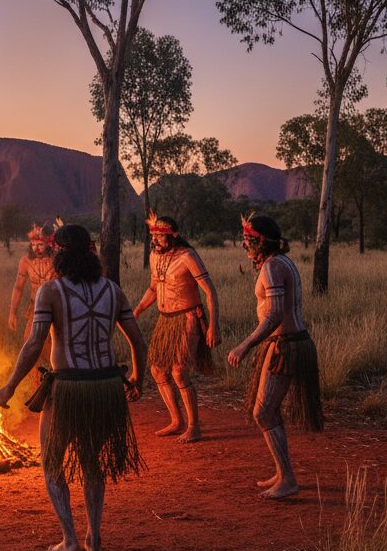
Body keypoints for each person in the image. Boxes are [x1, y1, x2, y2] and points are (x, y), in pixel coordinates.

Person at [0, 224, 147, 551]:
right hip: (106, 386)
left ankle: (70, 539)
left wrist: (9, 385)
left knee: (52, 462)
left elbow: (35, 343)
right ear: (91, 253)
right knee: (92, 463)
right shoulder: (112, 290)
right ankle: (94, 538)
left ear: (58, 255)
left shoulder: (50, 291)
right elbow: (138, 341)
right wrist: (138, 378)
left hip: (68, 387)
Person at [227, 213, 323, 500]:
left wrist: (245, 345)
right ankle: (282, 473)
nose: (244, 246)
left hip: (285, 345)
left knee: (263, 412)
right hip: (286, 343)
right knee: (268, 410)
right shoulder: (281, 262)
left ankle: (288, 479)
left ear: (260, 241)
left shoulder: (271, 267)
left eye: (248, 241)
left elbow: (275, 315)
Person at [133, 212, 220, 443]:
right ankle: (176, 421)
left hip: (188, 317)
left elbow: (209, 291)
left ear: (173, 236)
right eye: (154, 236)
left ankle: (194, 426)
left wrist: (213, 326)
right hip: (165, 320)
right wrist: (137, 310)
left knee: (179, 371)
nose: (156, 240)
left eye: (160, 237)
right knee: (158, 371)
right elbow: (153, 288)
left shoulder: (187, 256)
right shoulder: (154, 256)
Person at [8, 224, 57, 340]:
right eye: (33, 245)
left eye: (40, 244)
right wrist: (12, 313)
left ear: (48, 245)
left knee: (54, 347)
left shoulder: (57, 260)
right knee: (30, 342)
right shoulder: (25, 261)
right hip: (36, 307)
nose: (36, 248)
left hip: (56, 308)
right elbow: (18, 288)